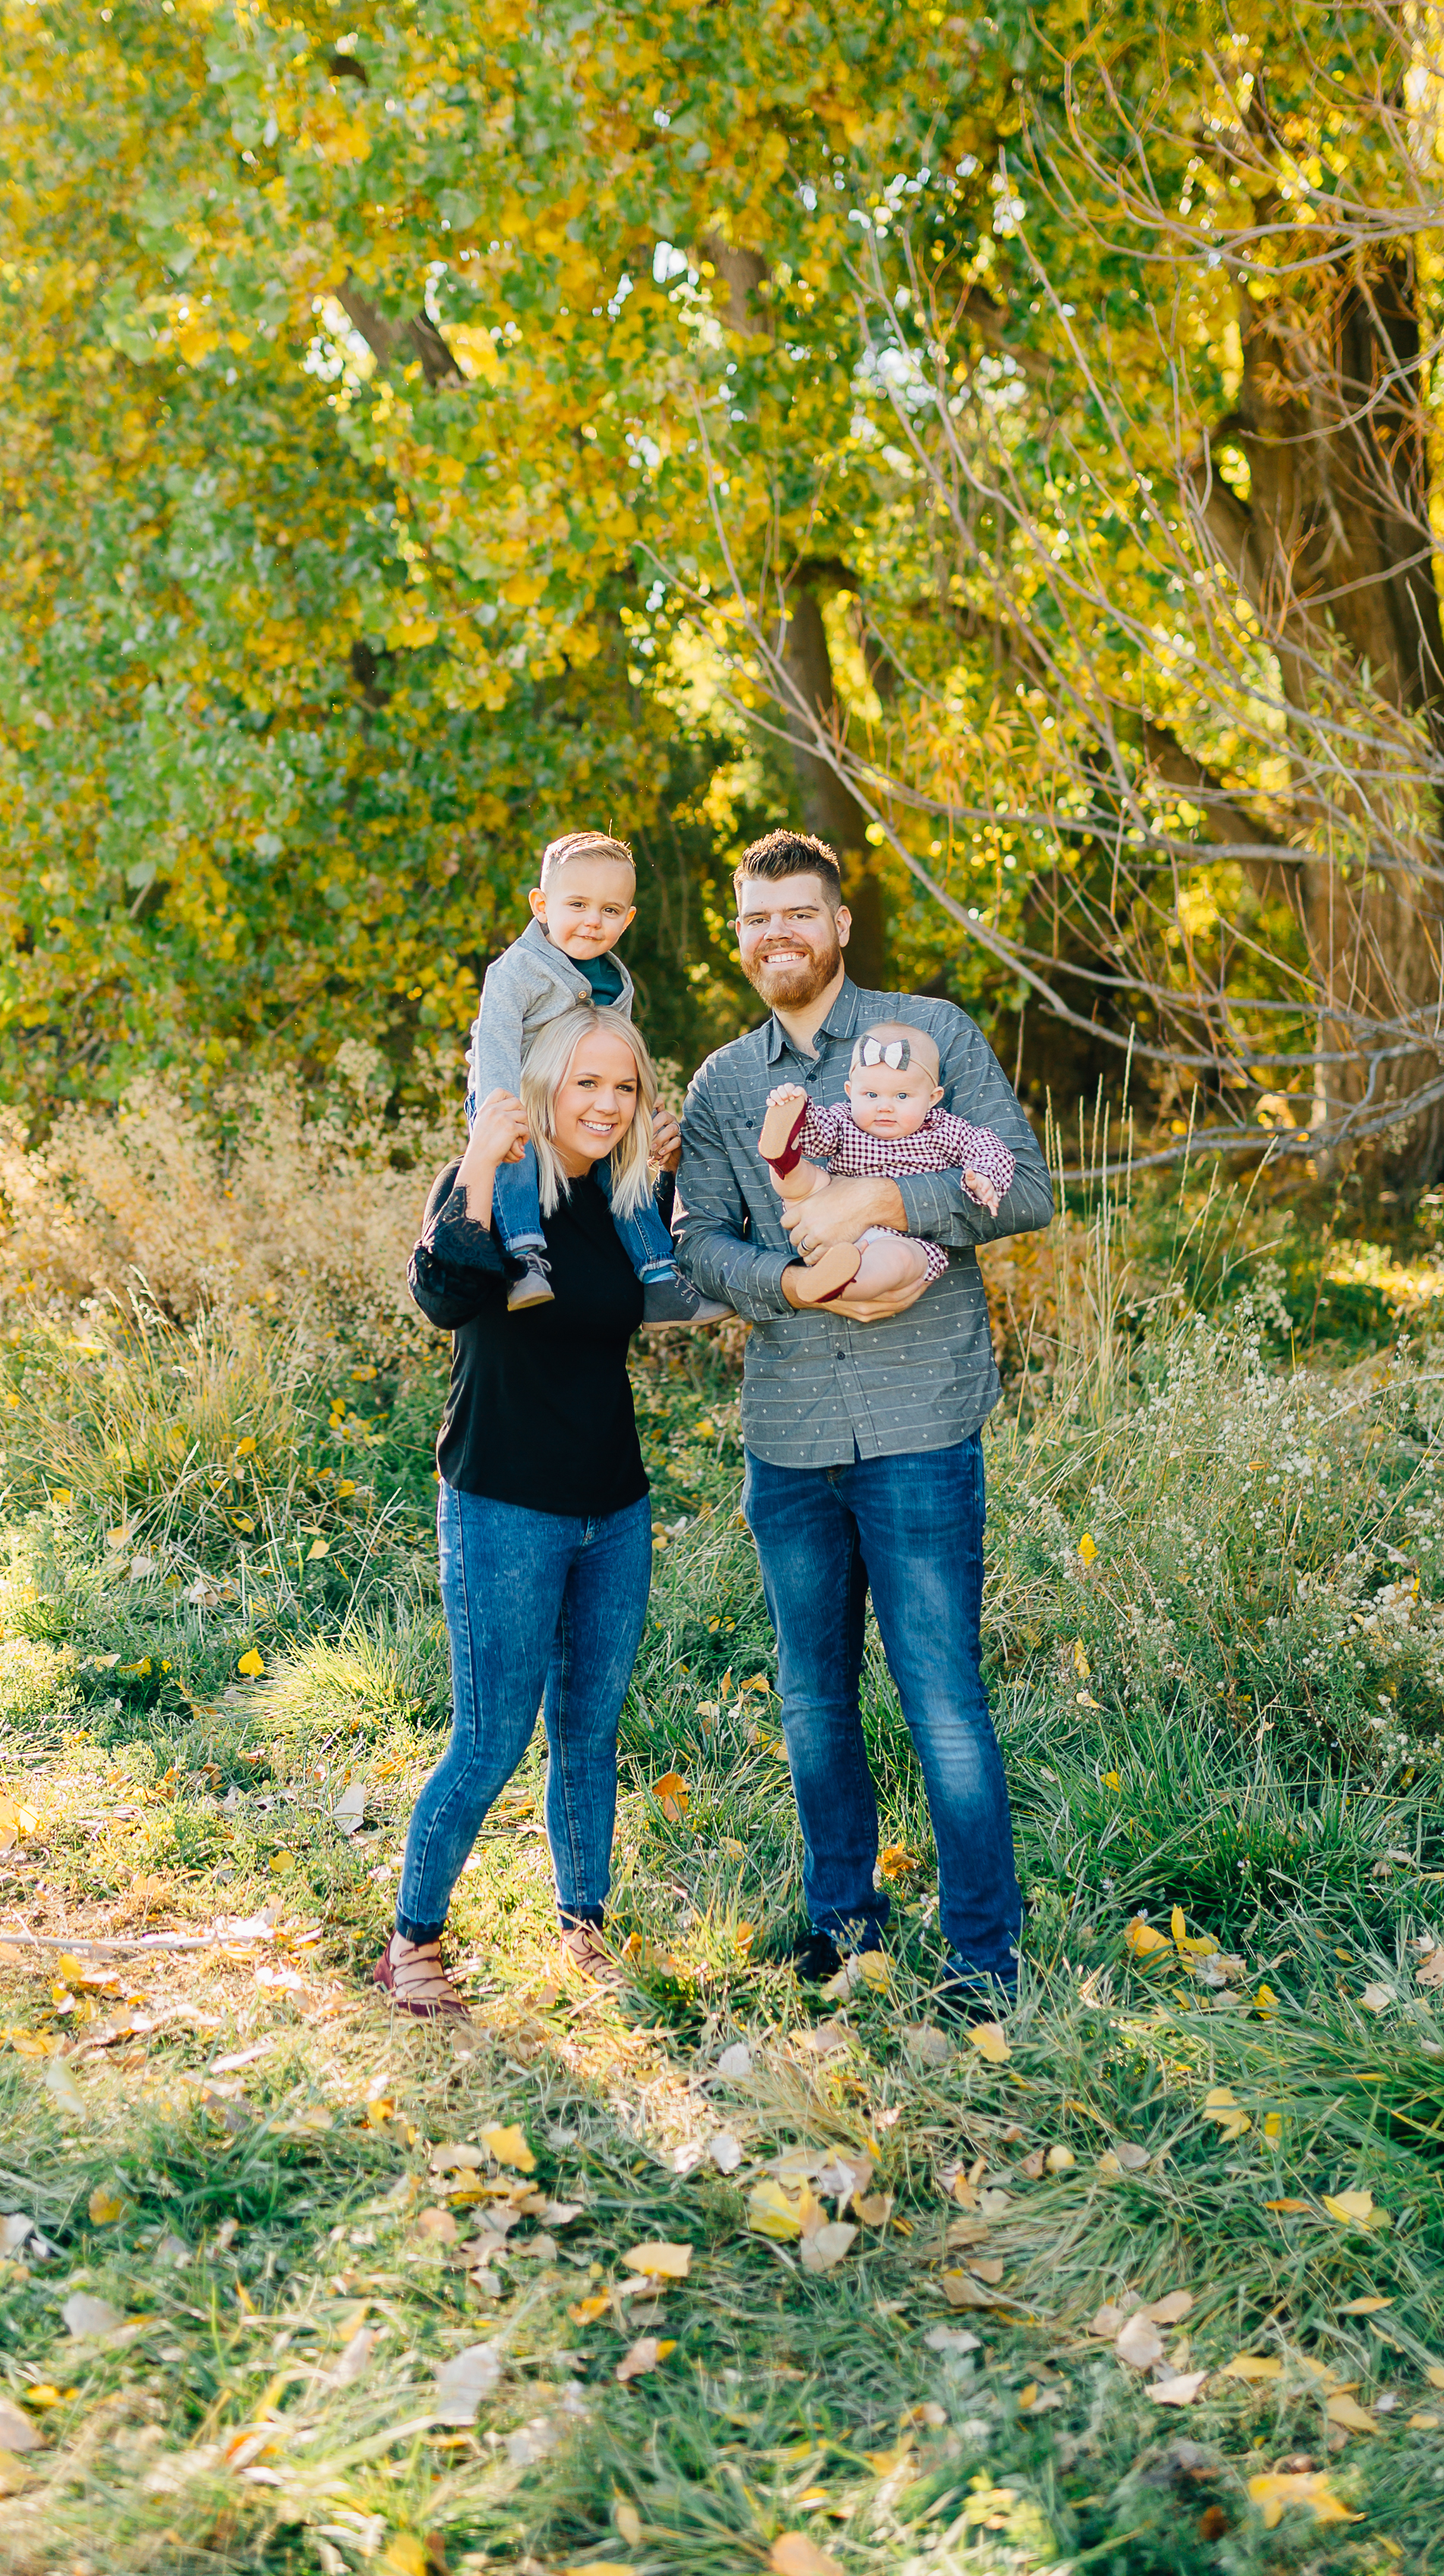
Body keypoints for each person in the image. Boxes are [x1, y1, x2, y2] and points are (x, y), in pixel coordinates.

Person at [673, 829, 1052, 2011]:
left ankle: (982, 1960)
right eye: (754, 919)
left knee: (940, 1692)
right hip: (786, 1432)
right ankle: (844, 1927)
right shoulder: (724, 1086)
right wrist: (781, 1283)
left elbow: (1024, 1186)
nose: (776, 934)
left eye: (797, 913)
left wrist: (889, 1194)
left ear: (840, 924)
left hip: (918, 1425)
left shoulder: (929, 1034)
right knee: (810, 1695)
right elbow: (696, 1243)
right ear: (737, 939)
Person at [377, 1004, 675, 2020]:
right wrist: (470, 1156)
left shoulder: (626, 1198)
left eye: (621, 1087)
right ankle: (412, 1940)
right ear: (544, 1086)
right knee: (492, 1736)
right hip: (503, 1500)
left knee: (588, 1731)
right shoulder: (496, 1184)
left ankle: (581, 1924)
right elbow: (442, 1294)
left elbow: (657, 1294)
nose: (602, 1103)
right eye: (584, 1083)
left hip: (613, 1505)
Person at [468, 827, 717, 1321]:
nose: (591, 922)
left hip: (577, 1103)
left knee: (622, 1161)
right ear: (541, 905)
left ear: (627, 919)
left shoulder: (613, 979)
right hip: (509, 1092)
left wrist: (639, 1113)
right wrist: (500, 1117)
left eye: (608, 911)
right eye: (577, 905)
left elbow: (615, 1054)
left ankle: (659, 1275)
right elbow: (494, 1045)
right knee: (514, 1156)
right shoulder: (515, 971)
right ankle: (523, 1259)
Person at [758, 1021, 1016, 1302]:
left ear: (933, 1098)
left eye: (902, 1096)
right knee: (811, 1179)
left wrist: (984, 1174)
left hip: (902, 1236)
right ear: (849, 1091)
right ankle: (785, 1157)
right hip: (826, 1214)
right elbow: (820, 1135)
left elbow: (986, 1144)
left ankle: (842, 1278)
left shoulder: (943, 1129)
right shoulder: (845, 1120)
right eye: (870, 1095)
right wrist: (802, 1112)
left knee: (900, 1261)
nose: (884, 1106)